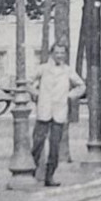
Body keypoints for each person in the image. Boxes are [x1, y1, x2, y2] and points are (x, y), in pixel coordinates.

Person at [30, 44, 86, 186]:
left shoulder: (68, 71)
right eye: (57, 52)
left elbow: (81, 86)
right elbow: (28, 83)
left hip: (59, 112)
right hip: (44, 111)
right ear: (51, 53)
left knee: (55, 146)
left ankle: (50, 176)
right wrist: (37, 94)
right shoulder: (43, 69)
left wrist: (69, 96)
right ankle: (31, 173)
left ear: (65, 55)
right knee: (37, 143)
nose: (59, 55)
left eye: (62, 53)